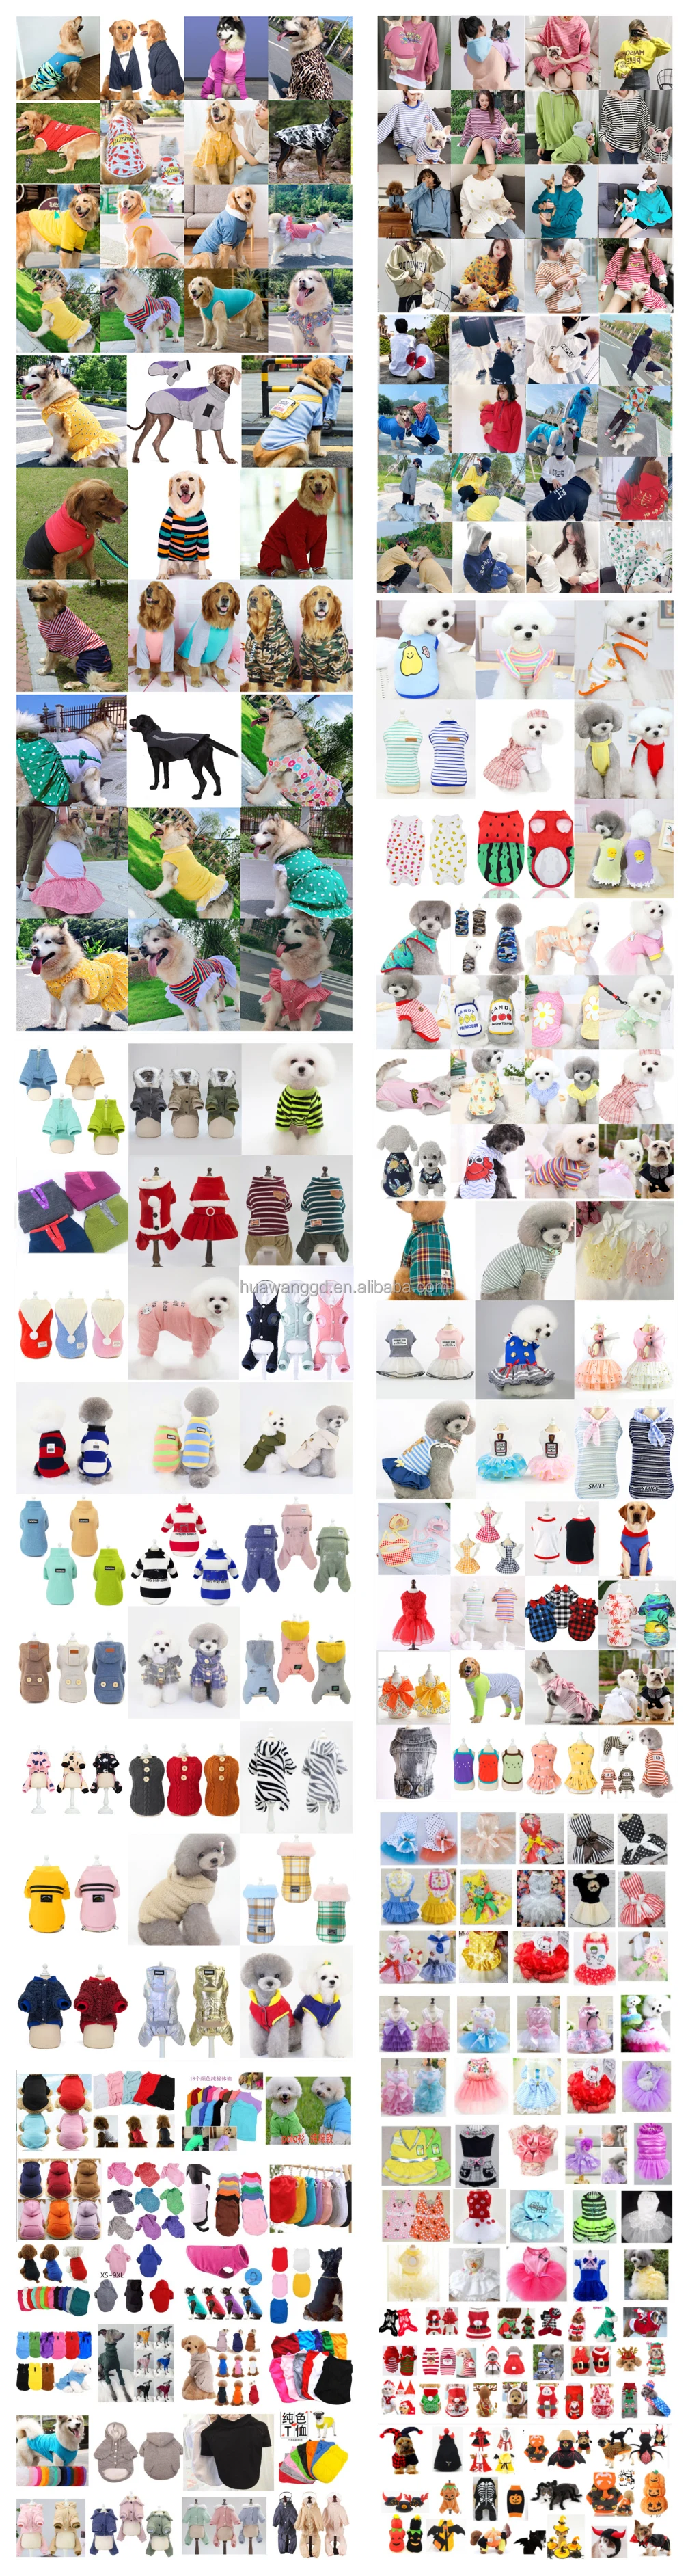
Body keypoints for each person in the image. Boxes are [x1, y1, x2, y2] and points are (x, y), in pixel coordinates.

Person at [458, 239, 519, 310]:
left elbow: (512, 287)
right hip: (473, 296)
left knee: (513, 299)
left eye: (504, 249)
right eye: (497, 247)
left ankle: (507, 313)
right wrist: (468, 293)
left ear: (507, 251)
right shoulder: (479, 260)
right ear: (493, 247)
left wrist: (498, 295)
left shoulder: (505, 267)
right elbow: (466, 277)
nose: (499, 252)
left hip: (493, 299)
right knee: (452, 289)